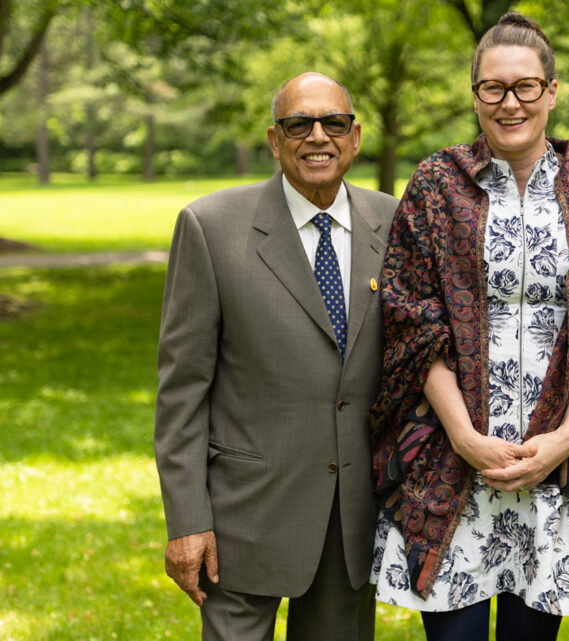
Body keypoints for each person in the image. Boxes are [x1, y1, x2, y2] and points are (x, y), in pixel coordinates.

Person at [368, 12, 569, 641]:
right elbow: (415, 323)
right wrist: (466, 436)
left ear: (551, 92)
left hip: (553, 459)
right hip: (454, 455)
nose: (510, 102)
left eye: (525, 86)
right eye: (492, 88)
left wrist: (567, 437)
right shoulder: (437, 185)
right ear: (475, 96)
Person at [154, 72, 398, 641]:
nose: (318, 137)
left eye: (333, 123)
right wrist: (187, 519)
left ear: (356, 137)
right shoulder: (210, 227)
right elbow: (182, 389)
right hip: (244, 514)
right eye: (299, 124)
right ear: (273, 139)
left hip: (350, 517)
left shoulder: (393, 222)